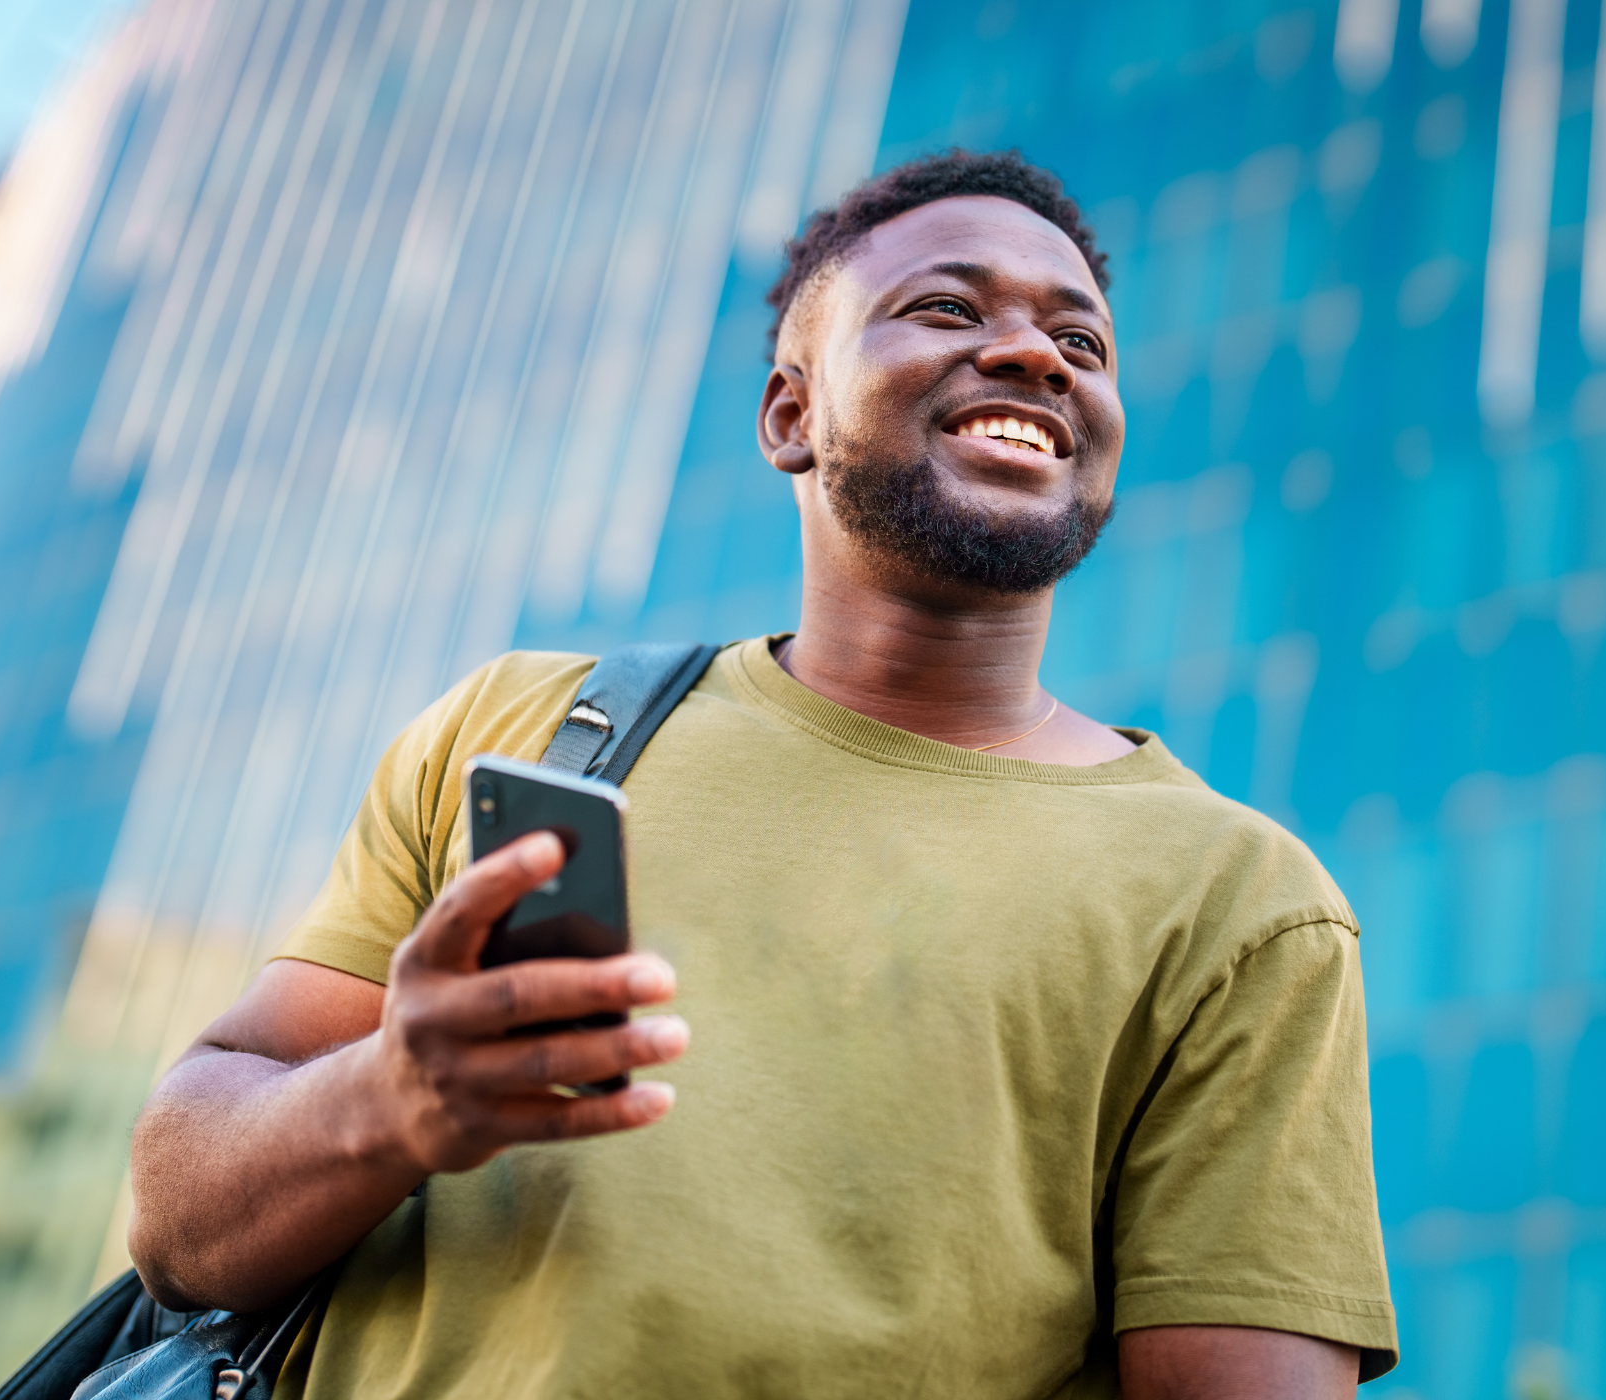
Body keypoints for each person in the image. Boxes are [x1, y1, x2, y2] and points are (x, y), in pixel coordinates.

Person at [127, 149, 1397, 1399]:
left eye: (1083, 341)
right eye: (947, 307)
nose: (1033, 354)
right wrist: (391, 1095)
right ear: (791, 413)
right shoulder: (519, 726)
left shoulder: (1240, 902)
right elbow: (177, 1224)